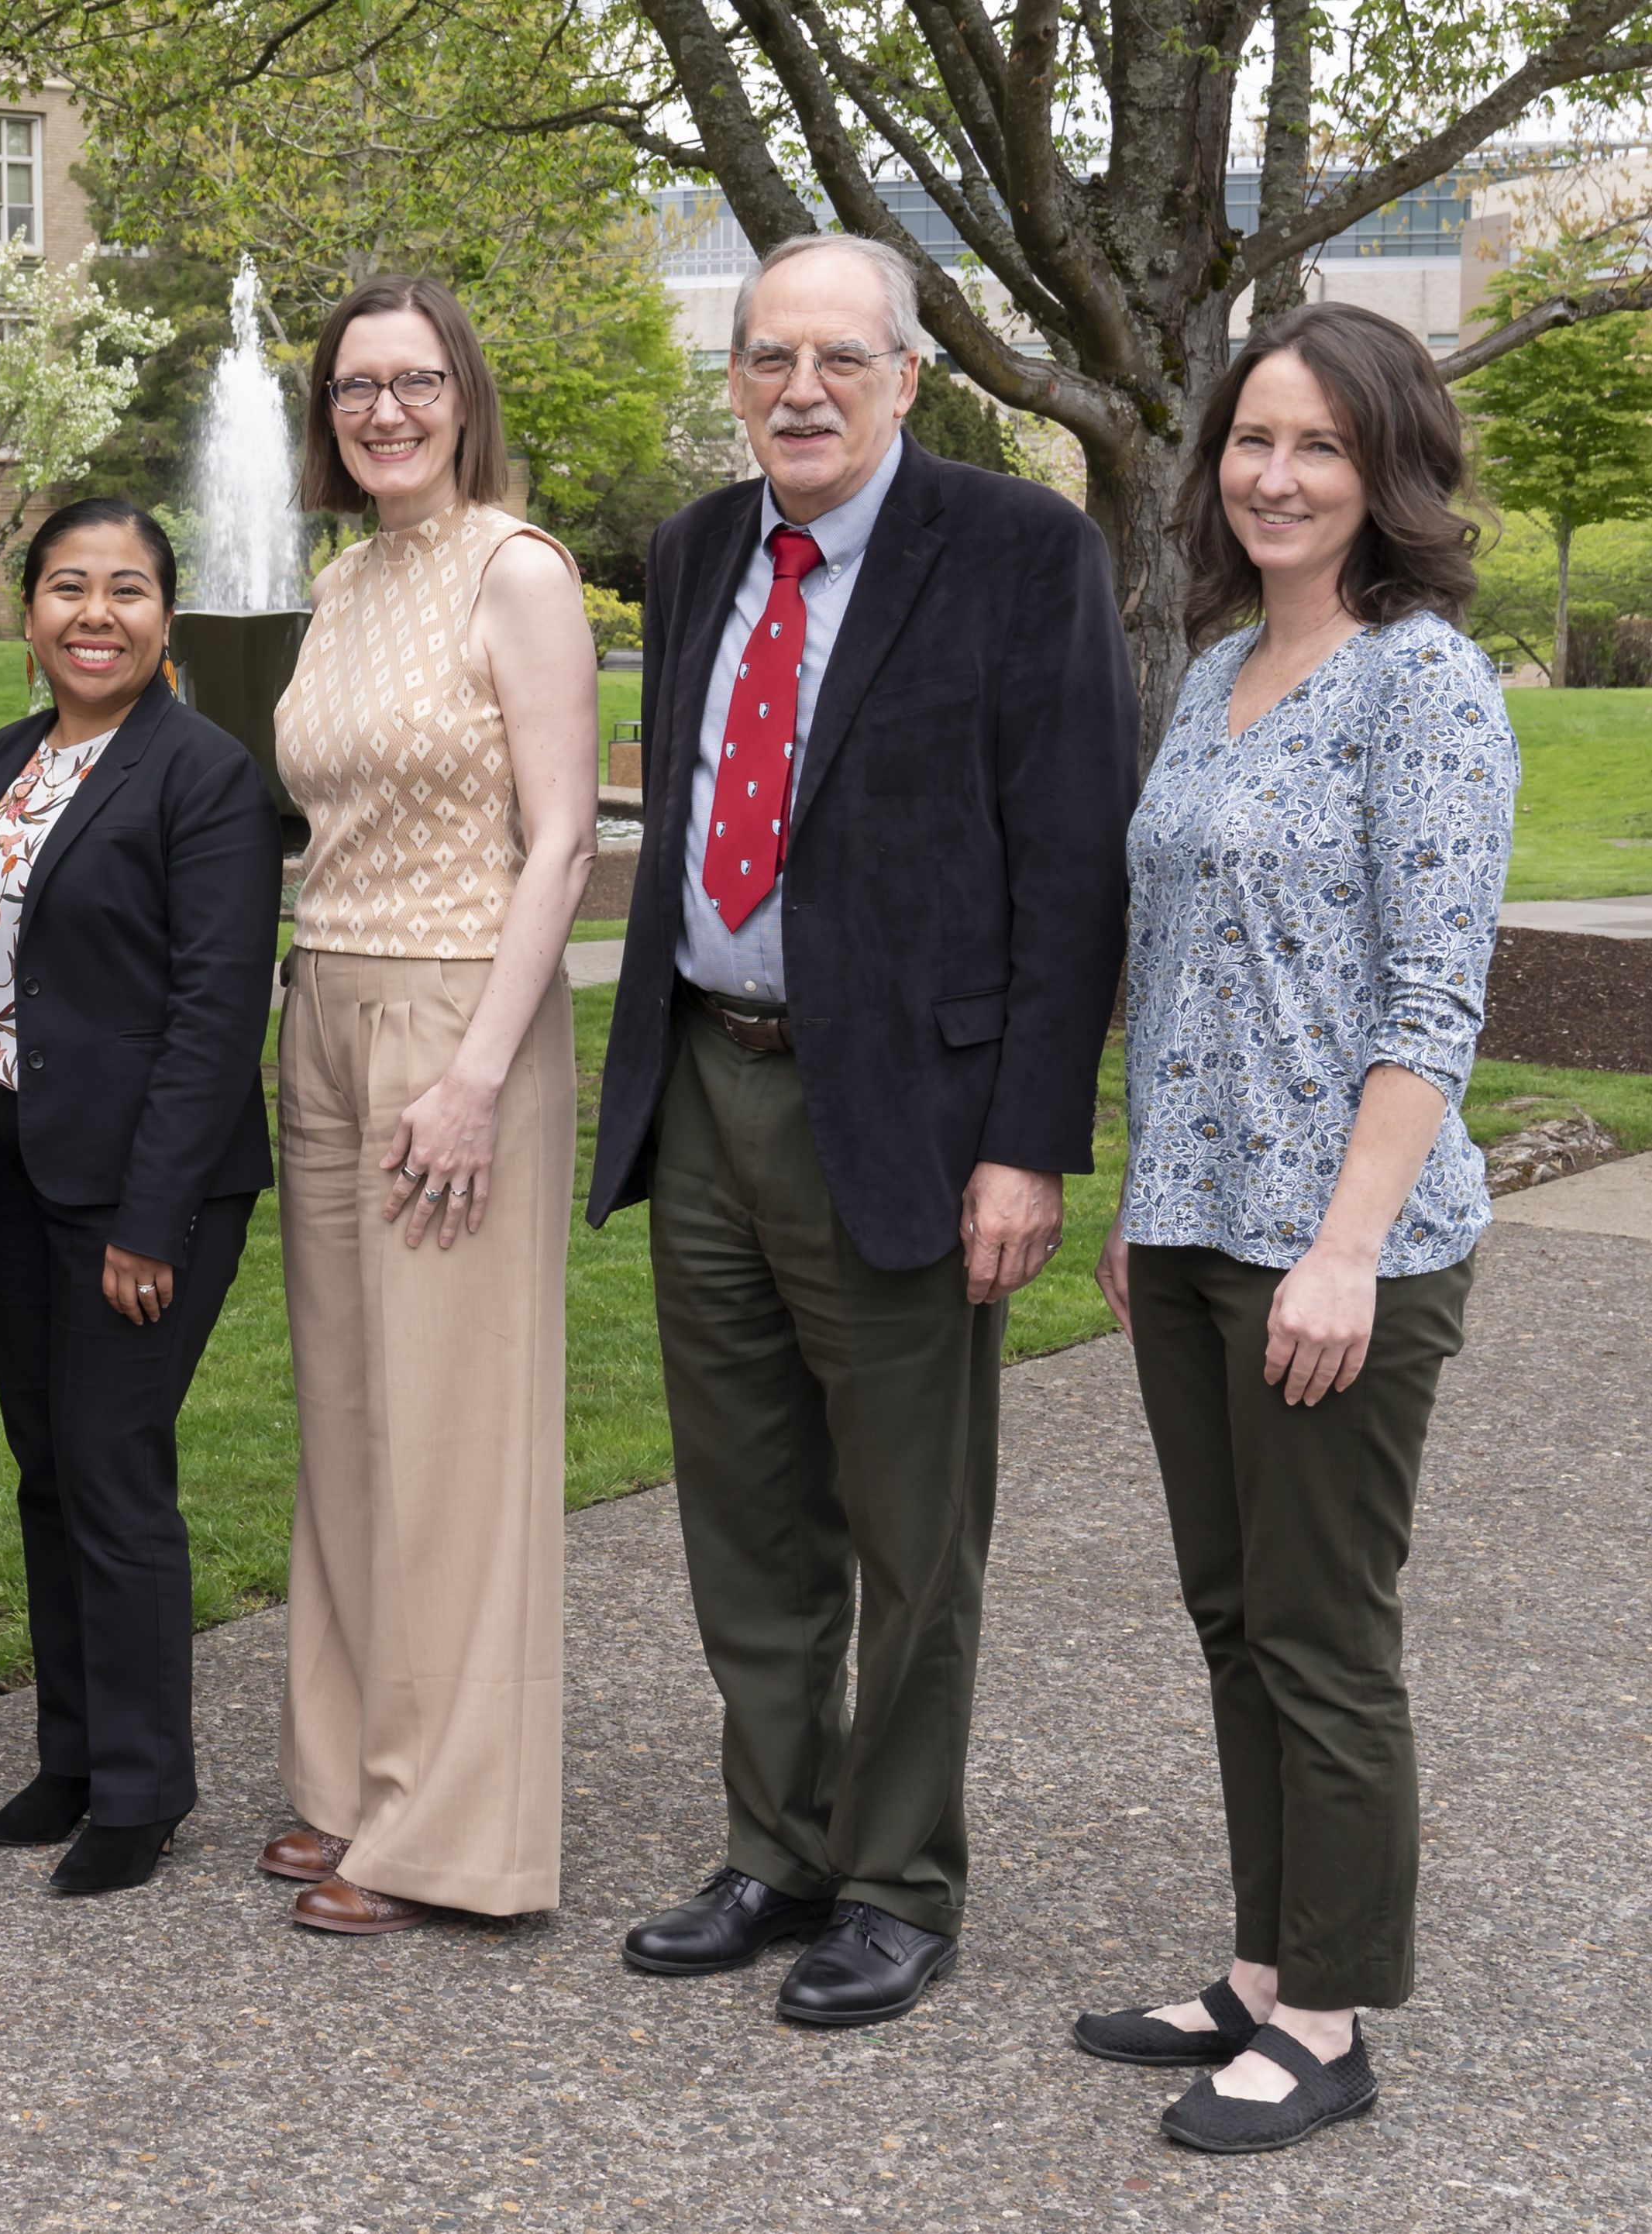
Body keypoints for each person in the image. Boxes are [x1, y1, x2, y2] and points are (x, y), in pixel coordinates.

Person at [590, 234, 1136, 2026]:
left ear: (905, 374)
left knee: (911, 1531)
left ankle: (897, 1877)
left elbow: (1068, 866)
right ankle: (777, 1844)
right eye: (765, 358)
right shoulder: (691, 553)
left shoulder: (1016, 552)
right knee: (743, 1514)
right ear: (734, 380)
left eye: (837, 357)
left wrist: (1026, 1141)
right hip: (706, 1084)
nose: (798, 389)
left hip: (904, 1110)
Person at [1074, 302, 1513, 2154]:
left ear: (1385, 468)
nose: (1273, 473)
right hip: (1188, 1230)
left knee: (1323, 1630)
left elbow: (1430, 999)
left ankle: (1326, 2015)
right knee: (1233, 1611)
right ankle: (1258, 1966)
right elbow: (1169, 963)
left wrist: (1339, 1243)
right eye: (1251, 440)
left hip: (1343, 1243)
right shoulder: (1214, 665)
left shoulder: (1424, 682)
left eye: (1317, 445)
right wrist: (1131, 1195)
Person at [262, 276, 599, 1937]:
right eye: (352, 388)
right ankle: (347, 1779)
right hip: (318, 1000)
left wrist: (474, 1074)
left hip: (458, 1011)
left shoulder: (515, 572)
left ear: (464, 392)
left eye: (412, 382)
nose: (383, 410)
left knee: (454, 1427)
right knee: (348, 1416)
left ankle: (452, 1829)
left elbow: (564, 836)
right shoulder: (343, 579)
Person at [0, 499, 281, 1896]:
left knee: (115, 1468)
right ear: (29, 610)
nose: (96, 613)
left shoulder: (206, 778)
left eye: (127, 589)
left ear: (167, 616)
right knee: (46, 1466)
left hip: (143, 1186)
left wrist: (154, 1219)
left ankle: (142, 1791)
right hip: (11, 1162)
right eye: (68, 587)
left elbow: (213, 1014)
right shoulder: (0, 761)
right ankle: (72, 1754)